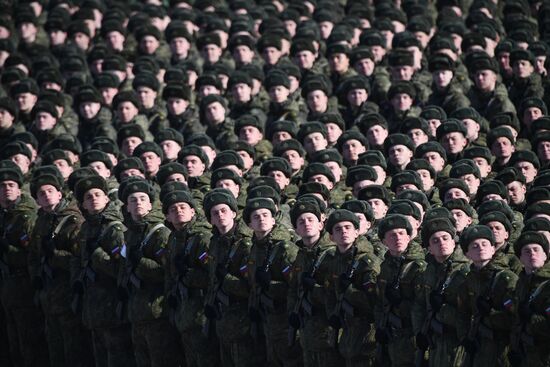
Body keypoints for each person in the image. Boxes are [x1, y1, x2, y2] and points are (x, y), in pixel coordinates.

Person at [27, 172, 93, 367]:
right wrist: (36, 276)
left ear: (59, 194)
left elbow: (79, 259)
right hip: (49, 293)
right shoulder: (41, 221)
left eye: (50, 191)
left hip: (67, 292)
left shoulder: (73, 221)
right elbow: (33, 255)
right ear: (37, 199)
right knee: (55, 348)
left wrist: (55, 255)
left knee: (73, 348)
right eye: (41, 193)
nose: (46, 195)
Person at [118, 179, 183, 367]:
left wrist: (140, 261)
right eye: (132, 200)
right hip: (136, 311)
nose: (138, 202)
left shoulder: (160, 233)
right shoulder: (130, 234)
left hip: (157, 311)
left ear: (150, 204)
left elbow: (166, 272)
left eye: (142, 199)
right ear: (127, 207)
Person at [73, 175, 136, 367]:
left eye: (97, 195)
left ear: (107, 198)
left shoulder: (115, 228)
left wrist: (98, 254)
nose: (93, 199)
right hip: (94, 307)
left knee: (117, 356)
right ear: (82, 205)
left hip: (112, 305)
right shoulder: (86, 228)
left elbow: (123, 268)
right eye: (88, 197)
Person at [202, 189, 265, 367]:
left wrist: (227, 279)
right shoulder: (214, 242)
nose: (220, 215)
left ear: (234, 213)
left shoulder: (246, 244)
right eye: (215, 213)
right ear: (210, 220)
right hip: (223, 319)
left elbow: (250, 286)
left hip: (243, 319)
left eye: (224, 210)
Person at [163, 190, 220, 367]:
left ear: (193, 211)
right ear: (167, 216)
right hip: (184, 313)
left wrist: (188, 274)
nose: (178, 211)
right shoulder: (173, 238)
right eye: (173, 209)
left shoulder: (202, 237)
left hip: (201, 313)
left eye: (183, 207)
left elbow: (213, 277)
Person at [0, 167, 49, 366]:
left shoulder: (27, 217)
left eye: (11, 185)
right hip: (7, 289)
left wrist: (8, 250)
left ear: (20, 190)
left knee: (30, 344)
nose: (6, 189)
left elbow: (33, 255)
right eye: (2, 186)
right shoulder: (4, 216)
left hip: (24, 288)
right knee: (13, 344)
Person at [287, 199, 343, 367]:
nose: (306, 224)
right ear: (296, 229)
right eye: (301, 222)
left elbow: (337, 294)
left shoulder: (333, 254)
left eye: (311, 219)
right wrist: (293, 313)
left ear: (321, 224)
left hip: (328, 331)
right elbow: (293, 289)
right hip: (307, 331)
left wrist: (315, 289)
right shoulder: (300, 254)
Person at [244, 197, 299, 367]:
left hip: (284, 318)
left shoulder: (285, 248)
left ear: (273, 219)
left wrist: (272, 286)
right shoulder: (254, 247)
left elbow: (296, 286)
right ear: (250, 225)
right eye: (256, 216)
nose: (261, 219)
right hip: (266, 318)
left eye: (265, 215)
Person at [325, 209, 381, 366]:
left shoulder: (367, 261)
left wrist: (350, 292)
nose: (343, 232)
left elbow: (374, 301)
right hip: (346, 333)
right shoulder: (334, 261)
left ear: (357, 232)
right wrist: (333, 315)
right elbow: (330, 294)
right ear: (331, 237)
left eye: (348, 227)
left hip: (366, 336)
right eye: (338, 229)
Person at [457, 225, 518, 367]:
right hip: (478, 347)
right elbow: (462, 313)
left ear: (492, 248)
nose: (481, 248)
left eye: (485, 244)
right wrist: (465, 337)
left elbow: (516, 317)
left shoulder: (506, 279)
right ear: (467, 254)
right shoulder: (468, 280)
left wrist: (490, 315)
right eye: (475, 246)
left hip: (500, 349)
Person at [412, 218, 470, 367]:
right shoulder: (428, 271)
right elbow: (419, 304)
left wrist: (444, 310)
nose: (442, 243)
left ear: (453, 242)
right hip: (436, 342)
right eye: (435, 241)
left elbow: (469, 313)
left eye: (445, 238)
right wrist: (420, 331)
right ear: (429, 249)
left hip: (458, 342)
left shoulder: (466, 272)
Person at [375, 214, 427, 366]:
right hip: (392, 334)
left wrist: (402, 302)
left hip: (411, 334)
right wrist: (381, 326)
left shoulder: (419, 267)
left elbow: (422, 305)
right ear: (384, 241)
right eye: (392, 235)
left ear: (409, 237)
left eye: (401, 233)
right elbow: (379, 302)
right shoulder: (385, 266)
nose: (397, 238)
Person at [509, 231, 550, 367]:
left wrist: (532, 318)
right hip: (525, 355)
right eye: (526, 251)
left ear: (545, 255)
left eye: (536, 250)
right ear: (520, 258)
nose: (532, 254)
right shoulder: (520, 283)